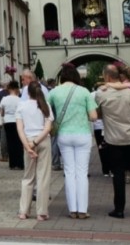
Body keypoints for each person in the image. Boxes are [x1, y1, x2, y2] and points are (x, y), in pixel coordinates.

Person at [96, 64, 130, 219]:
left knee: (118, 174)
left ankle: (119, 209)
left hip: (114, 139)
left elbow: (98, 114)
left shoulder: (102, 94)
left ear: (107, 77)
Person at [48, 65, 98, 219]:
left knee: (69, 172)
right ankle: (82, 210)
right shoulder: (84, 92)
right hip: (82, 134)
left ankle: (72, 209)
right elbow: (93, 116)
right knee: (81, 172)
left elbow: (46, 110)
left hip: (63, 134)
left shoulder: (54, 92)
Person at [16, 82, 54, 219]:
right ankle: (42, 212)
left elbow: (20, 129)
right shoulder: (46, 106)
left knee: (28, 177)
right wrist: (36, 142)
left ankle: (23, 211)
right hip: (42, 140)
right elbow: (48, 128)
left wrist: (28, 146)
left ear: (28, 93)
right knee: (43, 177)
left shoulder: (21, 106)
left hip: (27, 140)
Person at [0, 81, 23, 170]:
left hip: (8, 121)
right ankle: (20, 163)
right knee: (19, 142)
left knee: (10, 142)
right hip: (17, 121)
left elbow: (1, 112)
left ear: (9, 89)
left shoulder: (4, 99)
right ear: (17, 89)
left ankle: (12, 164)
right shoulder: (20, 99)